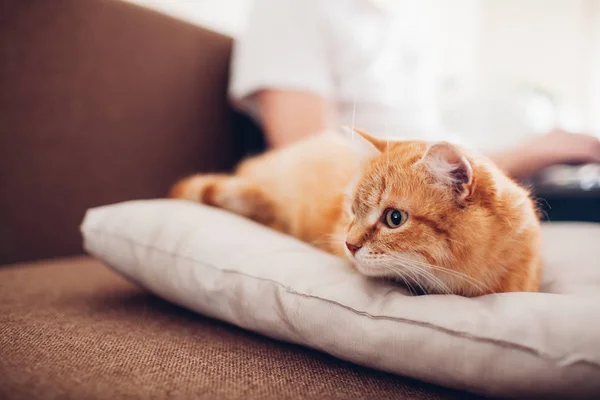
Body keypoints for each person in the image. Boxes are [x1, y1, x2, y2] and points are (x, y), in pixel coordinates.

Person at [229, 0, 600, 180]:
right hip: (405, 198)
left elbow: (432, 152)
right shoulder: (294, 8)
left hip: (442, 180)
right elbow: (308, 166)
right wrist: (527, 155)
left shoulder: (407, 22)